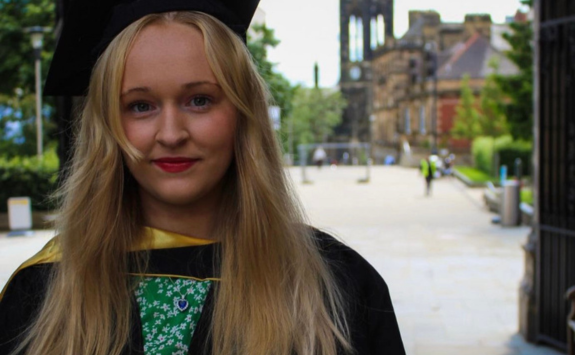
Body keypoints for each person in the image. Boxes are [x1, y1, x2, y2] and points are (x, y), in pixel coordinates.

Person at [0, 1, 405, 355]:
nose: (172, 133)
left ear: (244, 116)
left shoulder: (336, 288)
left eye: (200, 100)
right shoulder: (43, 292)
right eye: (140, 106)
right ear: (107, 126)